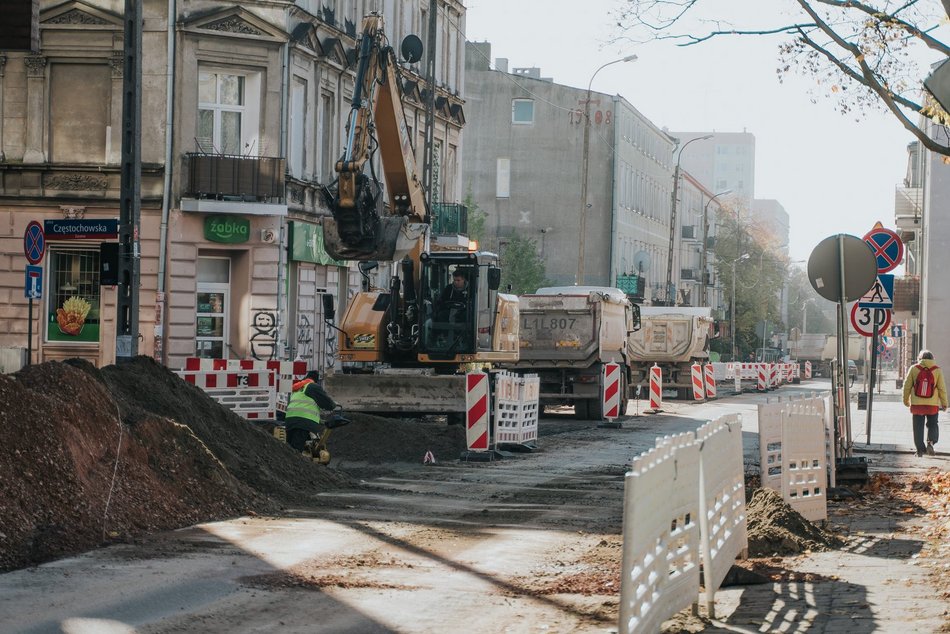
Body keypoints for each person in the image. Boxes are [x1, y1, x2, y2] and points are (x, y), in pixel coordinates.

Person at [901, 350, 947, 457]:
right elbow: (942, 388)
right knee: (933, 424)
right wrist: (944, 403)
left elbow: (907, 386)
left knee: (917, 427)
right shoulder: (937, 370)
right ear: (933, 359)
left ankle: (920, 450)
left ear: (919, 358)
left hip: (917, 404)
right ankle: (930, 443)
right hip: (932, 405)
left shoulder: (914, 369)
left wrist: (906, 400)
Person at [284, 370, 340, 452]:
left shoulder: (299, 388)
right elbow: (328, 404)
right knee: (296, 450)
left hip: (290, 420)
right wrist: (334, 405)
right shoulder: (312, 386)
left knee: (290, 449)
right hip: (303, 421)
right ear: (316, 380)